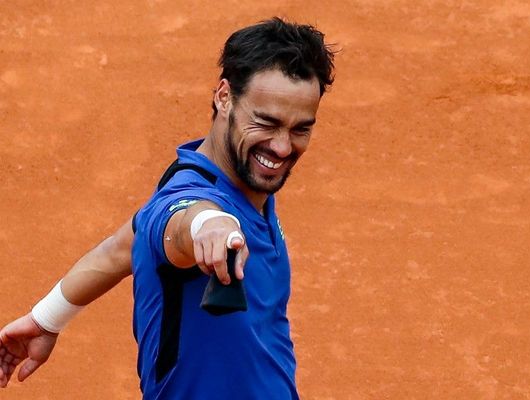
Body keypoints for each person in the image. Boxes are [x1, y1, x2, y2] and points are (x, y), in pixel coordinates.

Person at [0, 17, 335, 398]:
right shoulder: (189, 201)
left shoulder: (234, 181)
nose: (281, 147)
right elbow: (182, 221)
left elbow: (120, 248)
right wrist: (209, 225)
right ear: (224, 97)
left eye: (300, 129)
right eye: (266, 122)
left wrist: (46, 319)